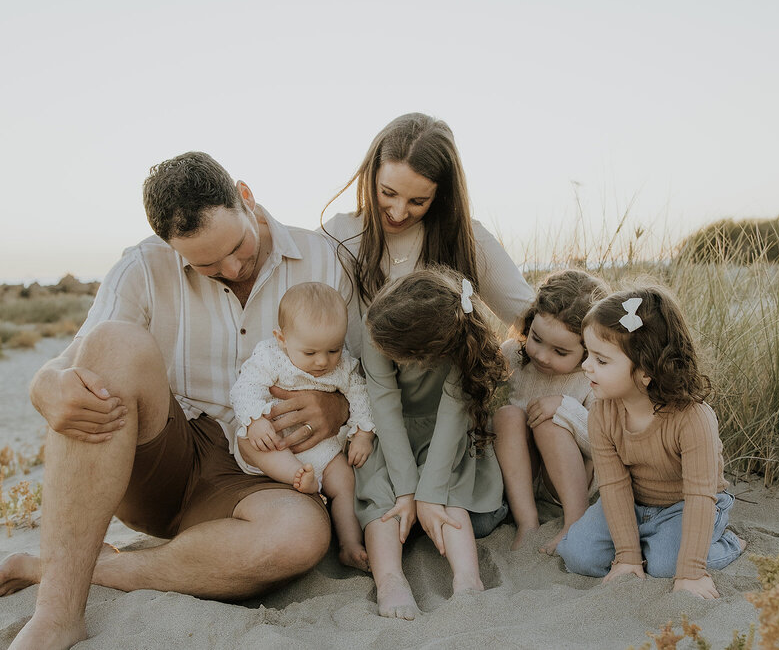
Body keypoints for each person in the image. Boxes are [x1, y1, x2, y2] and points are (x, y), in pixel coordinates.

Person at [0, 152, 350, 650]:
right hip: (166, 456)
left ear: (246, 198)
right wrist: (44, 387)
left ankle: (63, 568)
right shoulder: (143, 264)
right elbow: (74, 358)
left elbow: (373, 373)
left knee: (299, 538)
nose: (230, 268)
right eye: (205, 264)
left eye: (237, 247)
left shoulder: (325, 258)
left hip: (264, 471)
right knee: (113, 343)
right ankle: (58, 613)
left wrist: (336, 406)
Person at [556, 287, 746, 599]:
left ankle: (727, 542)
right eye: (588, 354)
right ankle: (644, 545)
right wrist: (628, 557)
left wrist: (691, 574)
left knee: (666, 565)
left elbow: (700, 494)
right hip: (633, 502)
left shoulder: (693, 418)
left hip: (686, 505)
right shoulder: (602, 413)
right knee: (579, 555)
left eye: (601, 360)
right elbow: (614, 486)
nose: (586, 366)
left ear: (646, 372)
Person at [355, 267, 506, 620]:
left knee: (447, 490)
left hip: (445, 433)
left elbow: (453, 415)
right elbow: (384, 405)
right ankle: (390, 580)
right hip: (394, 433)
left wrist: (430, 493)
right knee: (383, 496)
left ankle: (468, 580)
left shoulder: (456, 340)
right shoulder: (376, 323)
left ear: (423, 356)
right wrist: (408, 491)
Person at [320, 112, 533, 361]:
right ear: (371, 175)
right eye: (388, 193)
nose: (398, 213)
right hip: (356, 394)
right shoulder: (337, 235)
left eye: (417, 201)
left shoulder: (467, 238)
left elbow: (536, 320)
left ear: (440, 195)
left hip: (443, 397)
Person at [230, 281, 375, 570]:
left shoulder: (343, 365)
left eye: (333, 350)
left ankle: (349, 544)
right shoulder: (271, 357)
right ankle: (296, 476)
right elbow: (244, 388)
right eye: (310, 353)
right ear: (282, 339)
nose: (323, 361)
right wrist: (255, 420)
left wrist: (363, 433)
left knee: (345, 482)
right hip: (276, 442)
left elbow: (360, 394)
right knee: (247, 438)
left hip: (323, 449)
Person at [493, 269, 608, 552]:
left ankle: (574, 522)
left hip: (569, 484)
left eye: (560, 352)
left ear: (588, 350)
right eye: (536, 339)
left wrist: (565, 408)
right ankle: (527, 521)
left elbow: (604, 444)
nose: (542, 356)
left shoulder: (593, 378)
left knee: (550, 420)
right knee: (507, 415)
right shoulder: (512, 355)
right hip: (524, 479)